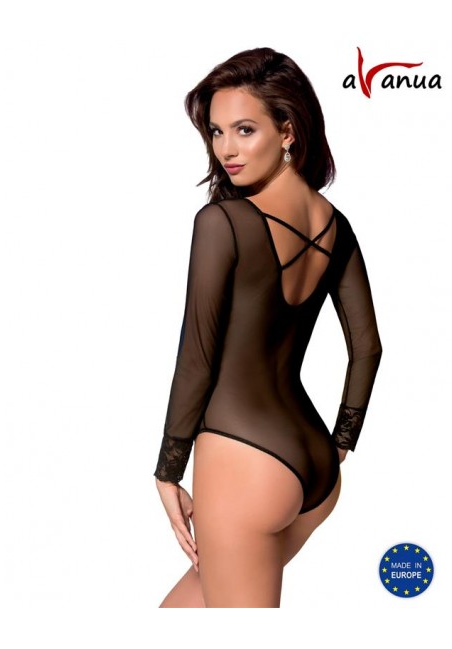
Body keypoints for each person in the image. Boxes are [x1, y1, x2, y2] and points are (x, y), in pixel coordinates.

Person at [153, 47, 383, 608]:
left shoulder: (222, 222)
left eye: (245, 129)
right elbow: (368, 348)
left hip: (243, 466)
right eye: (216, 131)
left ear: (287, 131)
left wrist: (168, 469)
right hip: (314, 465)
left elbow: (198, 358)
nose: (226, 150)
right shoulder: (336, 226)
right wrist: (341, 442)